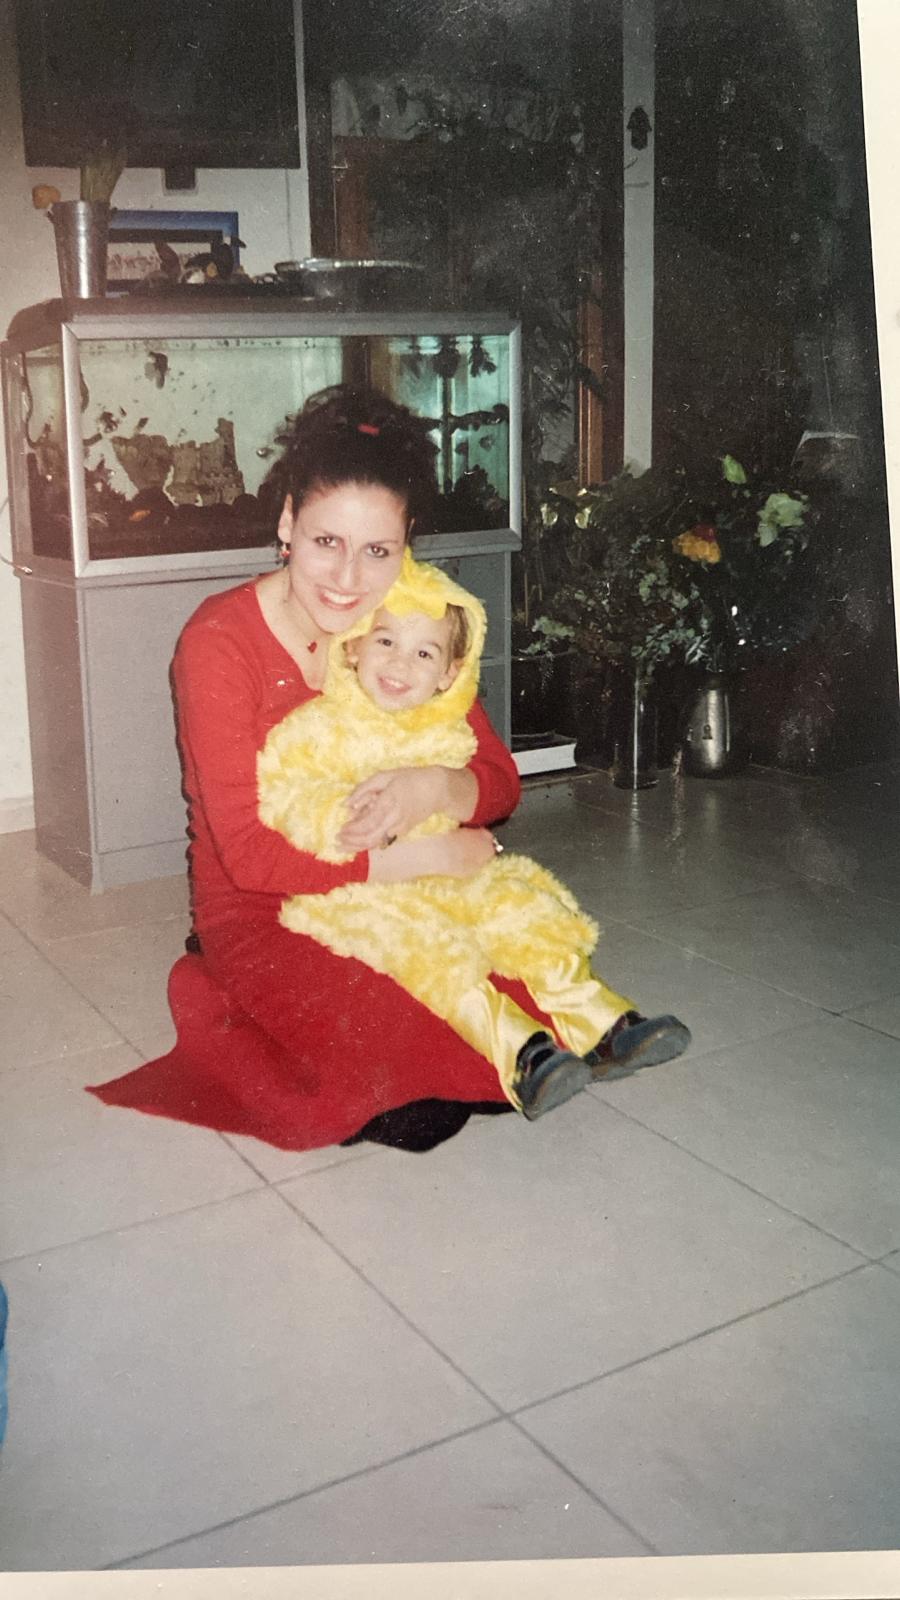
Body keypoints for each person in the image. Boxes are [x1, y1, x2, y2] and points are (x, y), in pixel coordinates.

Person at [88, 386, 535, 1152]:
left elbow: (497, 779)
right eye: (327, 541)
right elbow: (248, 856)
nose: (348, 579)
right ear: (287, 523)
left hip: (399, 900)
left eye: (378, 551)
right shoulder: (219, 643)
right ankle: (208, 984)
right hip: (265, 905)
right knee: (392, 1109)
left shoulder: (404, 626)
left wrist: (435, 787)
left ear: (406, 547)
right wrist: (428, 854)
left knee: (531, 1035)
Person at [258, 548, 691, 1120]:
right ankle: (523, 1055)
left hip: (449, 871)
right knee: (432, 948)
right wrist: (342, 819)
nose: (399, 665)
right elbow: (286, 791)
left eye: (424, 653)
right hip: (364, 888)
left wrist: (448, 798)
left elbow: (492, 784)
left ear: (448, 673)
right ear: (355, 645)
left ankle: (603, 1023)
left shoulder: (449, 727)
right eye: (385, 641)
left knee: (524, 908)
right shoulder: (319, 727)